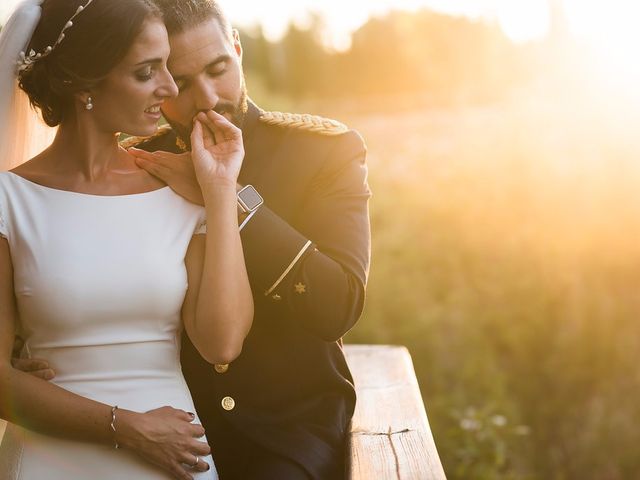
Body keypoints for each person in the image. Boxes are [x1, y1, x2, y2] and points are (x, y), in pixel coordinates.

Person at [0, 1, 253, 479]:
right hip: (48, 462)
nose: (171, 88)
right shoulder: (9, 201)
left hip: (178, 459)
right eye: (146, 72)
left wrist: (220, 193)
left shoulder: (178, 186)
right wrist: (125, 427)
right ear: (84, 86)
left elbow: (222, 343)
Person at [125, 1, 372, 478]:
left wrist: (230, 198)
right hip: (167, 423)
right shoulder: (138, 163)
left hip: (292, 431)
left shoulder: (324, 151)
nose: (208, 98)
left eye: (219, 69)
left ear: (237, 49)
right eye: (182, 82)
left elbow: (338, 305)